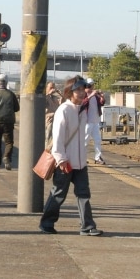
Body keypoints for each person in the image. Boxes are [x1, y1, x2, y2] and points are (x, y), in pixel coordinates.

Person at [39, 76, 103, 236]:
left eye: (83, 89)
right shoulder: (64, 110)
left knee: (84, 194)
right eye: (78, 90)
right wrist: (61, 159)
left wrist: (94, 97)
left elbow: (93, 120)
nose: (81, 93)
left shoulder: (82, 110)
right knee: (58, 193)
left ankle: (87, 226)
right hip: (65, 161)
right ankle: (46, 223)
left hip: (80, 162)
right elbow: (58, 138)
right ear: (70, 92)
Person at [83, 78, 105, 164]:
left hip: (95, 121)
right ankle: (82, 158)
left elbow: (101, 103)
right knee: (85, 141)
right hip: (87, 122)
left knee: (97, 140)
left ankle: (98, 157)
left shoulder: (95, 96)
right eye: (89, 86)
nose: (91, 87)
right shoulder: (84, 95)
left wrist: (102, 97)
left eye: (92, 85)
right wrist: (91, 95)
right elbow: (83, 103)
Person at [44, 81, 62, 149]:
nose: (53, 89)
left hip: (56, 120)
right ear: (46, 88)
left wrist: (60, 93)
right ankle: (47, 151)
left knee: (56, 139)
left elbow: (64, 101)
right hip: (49, 121)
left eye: (54, 87)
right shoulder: (45, 97)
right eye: (51, 87)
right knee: (48, 139)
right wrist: (48, 94)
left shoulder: (55, 97)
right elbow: (42, 103)